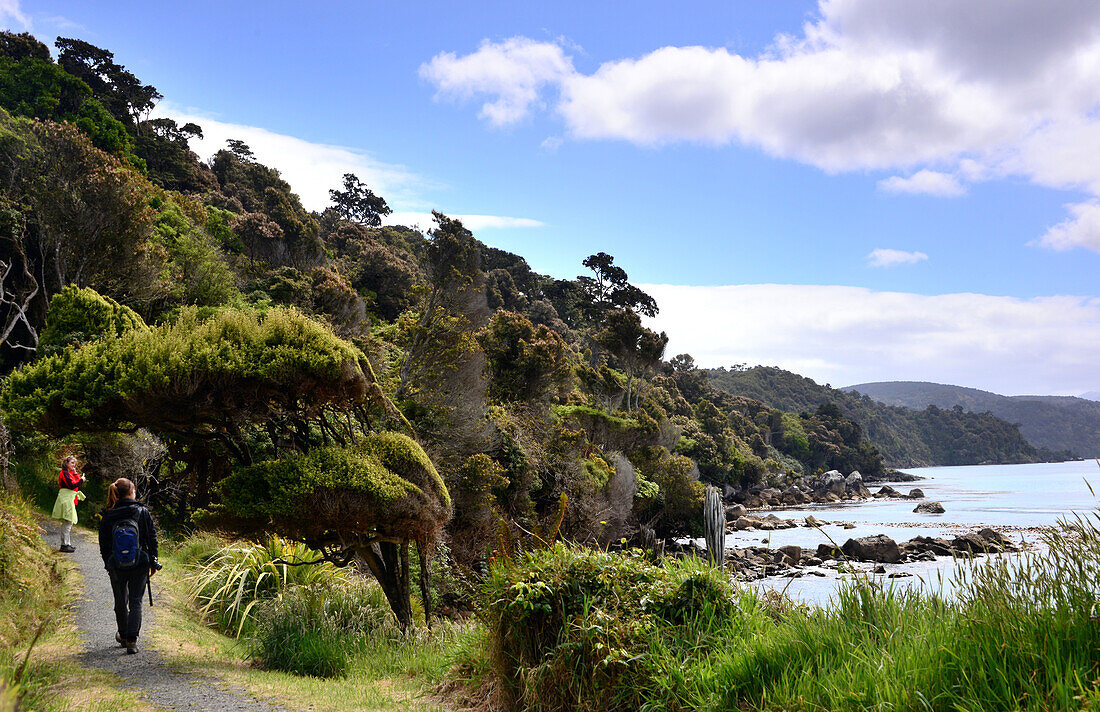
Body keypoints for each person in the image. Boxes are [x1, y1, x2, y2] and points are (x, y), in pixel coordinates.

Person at [98, 478, 159, 654]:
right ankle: (132, 641)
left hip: (116, 564)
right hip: (139, 563)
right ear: (131, 492)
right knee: (136, 601)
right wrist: (153, 560)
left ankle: (123, 636)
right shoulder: (142, 512)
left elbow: (104, 543)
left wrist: (108, 563)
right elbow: (152, 538)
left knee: (120, 601)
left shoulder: (108, 515)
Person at [51, 455, 86, 552]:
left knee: (68, 521)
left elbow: (75, 484)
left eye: (74, 463)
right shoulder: (64, 473)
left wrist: (76, 475)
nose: (74, 465)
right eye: (72, 463)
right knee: (68, 521)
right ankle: (65, 545)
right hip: (66, 499)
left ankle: (67, 544)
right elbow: (72, 485)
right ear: (66, 463)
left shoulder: (69, 473)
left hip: (69, 498)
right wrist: (82, 480)